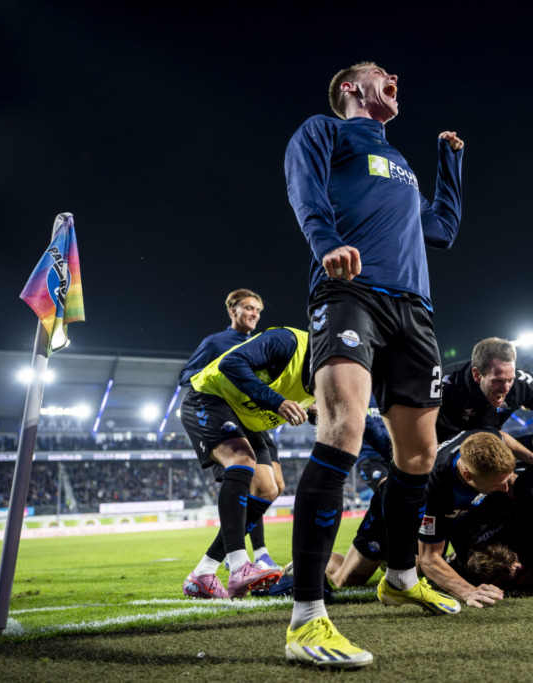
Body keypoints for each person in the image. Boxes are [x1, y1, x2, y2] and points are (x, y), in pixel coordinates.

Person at [283, 60, 464, 668]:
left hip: (414, 308)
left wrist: (449, 163)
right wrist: (325, 242)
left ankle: (402, 573)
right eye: (379, 73)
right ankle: (307, 617)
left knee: (419, 455)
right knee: (344, 430)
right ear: (349, 89)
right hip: (350, 291)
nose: (394, 78)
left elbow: (441, 229)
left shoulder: (405, 167)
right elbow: (304, 187)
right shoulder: (325, 132)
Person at [180, 326, 316, 601]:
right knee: (241, 459)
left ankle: (203, 572)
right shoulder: (287, 340)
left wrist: (316, 411)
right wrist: (277, 401)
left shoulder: (333, 374)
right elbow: (231, 362)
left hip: (248, 417)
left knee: (268, 489)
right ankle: (240, 563)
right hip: (210, 396)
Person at [331, 429, 520, 609]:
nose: (506, 488)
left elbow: (501, 435)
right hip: (395, 508)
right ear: (468, 475)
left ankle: (392, 559)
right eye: (498, 483)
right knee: (347, 579)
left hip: (436, 508)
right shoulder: (435, 490)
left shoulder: (485, 441)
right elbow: (430, 559)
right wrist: (469, 592)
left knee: (417, 572)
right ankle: (311, 558)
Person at [179, 288, 285, 572]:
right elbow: (186, 376)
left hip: (258, 421)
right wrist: (222, 377)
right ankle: (247, 554)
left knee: (272, 487)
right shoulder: (216, 342)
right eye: (249, 308)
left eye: (259, 311)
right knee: (248, 479)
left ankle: (231, 552)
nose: (255, 314)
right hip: (225, 418)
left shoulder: (263, 344)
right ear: (233, 310)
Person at [438, 337, 533, 442]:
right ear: (477, 375)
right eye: (497, 381)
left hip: (490, 440)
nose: (506, 388)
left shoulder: (522, 382)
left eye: (510, 379)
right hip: (446, 446)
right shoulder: (446, 382)